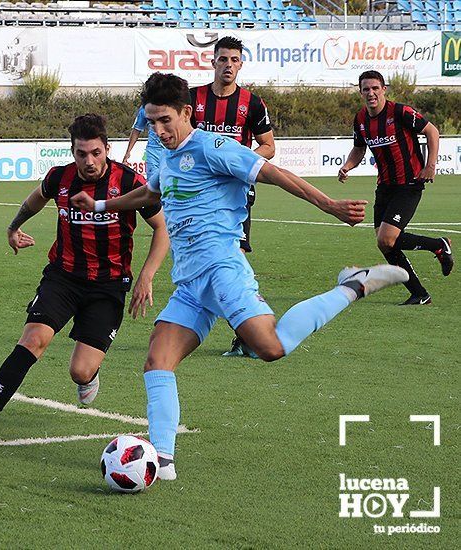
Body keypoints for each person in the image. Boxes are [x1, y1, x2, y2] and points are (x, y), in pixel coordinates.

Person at [69, 73, 408, 481]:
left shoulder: (214, 148)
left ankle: (353, 284)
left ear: (185, 112)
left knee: (272, 347)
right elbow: (149, 194)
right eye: (152, 122)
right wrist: (102, 202)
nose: (157, 131)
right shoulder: (170, 157)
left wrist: (329, 205)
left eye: (164, 121)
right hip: (191, 283)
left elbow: (274, 173)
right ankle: (163, 457)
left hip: (223, 269)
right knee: (158, 362)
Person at [0, 114, 170, 444]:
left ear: (107, 149)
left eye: (95, 153)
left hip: (108, 286)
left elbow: (162, 227)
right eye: (81, 153)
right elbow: (35, 200)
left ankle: (90, 375)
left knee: (80, 371)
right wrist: (13, 227)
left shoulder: (128, 182)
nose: (89, 161)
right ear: (72, 152)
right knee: (32, 340)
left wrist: (147, 276)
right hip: (63, 278)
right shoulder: (60, 178)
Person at [188, 36, 275, 356]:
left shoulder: (252, 103)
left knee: (230, 262)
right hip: (197, 193)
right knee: (211, 263)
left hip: (235, 195)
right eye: (222, 59)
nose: (228, 65)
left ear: (241, 64)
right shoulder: (192, 99)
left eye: (234, 60)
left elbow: (269, 147)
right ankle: (250, 330)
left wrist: (238, 163)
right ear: (212, 62)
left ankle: (251, 332)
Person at [339, 70, 453, 305]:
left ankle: (438, 246)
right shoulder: (361, 119)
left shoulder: (400, 112)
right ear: (360, 92)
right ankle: (419, 293)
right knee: (384, 243)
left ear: (383, 89)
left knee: (388, 239)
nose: (370, 93)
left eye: (375, 88)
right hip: (384, 186)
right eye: (365, 89)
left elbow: (432, 131)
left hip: (409, 184)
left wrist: (431, 165)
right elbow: (359, 149)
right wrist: (347, 166)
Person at [123, 104, 163, 184]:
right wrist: (128, 152)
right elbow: (136, 129)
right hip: (153, 152)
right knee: (154, 184)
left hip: (171, 150)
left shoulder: (173, 103)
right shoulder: (145, 107)